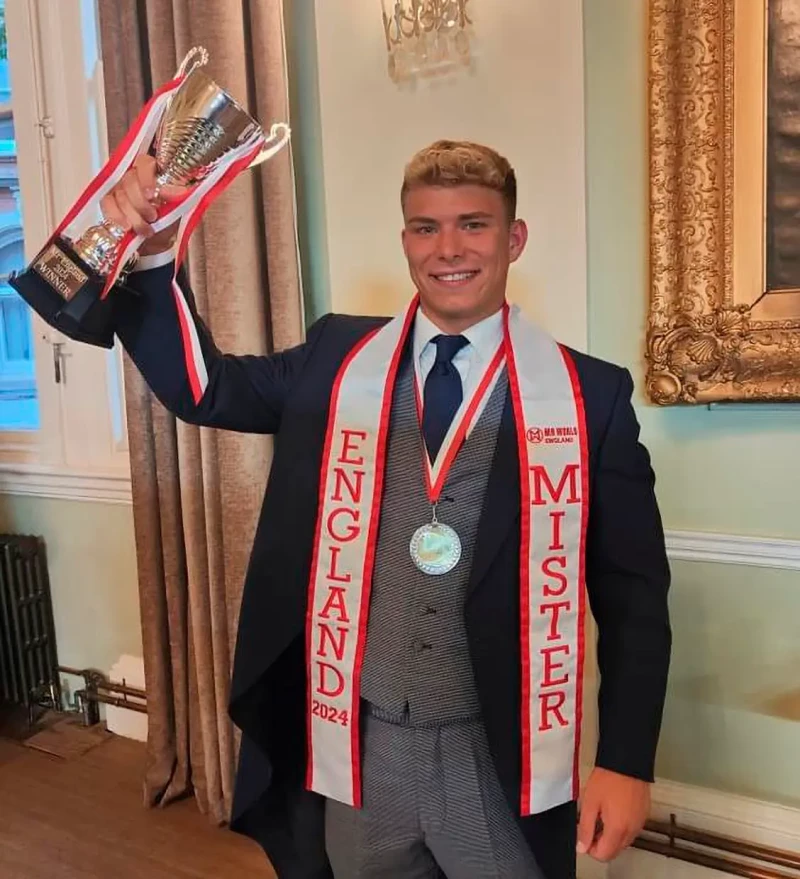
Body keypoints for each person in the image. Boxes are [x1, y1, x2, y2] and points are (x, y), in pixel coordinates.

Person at [107, 140, 672, 879]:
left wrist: (626, 761)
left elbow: (635, 597)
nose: (448, 249)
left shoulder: (588, 396)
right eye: (425, 227)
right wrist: (150, 256)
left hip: (499, 755)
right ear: (405, 238)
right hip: (361, 744)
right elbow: (205, 387)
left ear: (514, 237)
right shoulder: (339, 360)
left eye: (473, 224)